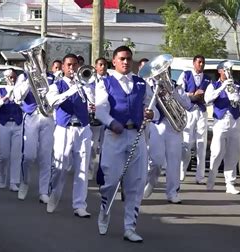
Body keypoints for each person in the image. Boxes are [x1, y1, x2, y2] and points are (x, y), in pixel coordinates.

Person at [95, 46, 153, 242]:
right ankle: (104, 209)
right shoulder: (105, 82)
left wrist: (151, 114)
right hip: (114, 136)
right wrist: (112, 123)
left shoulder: (141, 83)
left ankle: (130, 227)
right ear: (114, 61)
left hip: (136, 135)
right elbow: (100, 110)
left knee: (135, 185)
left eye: (128, 58)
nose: (126, 62)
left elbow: (153, 108)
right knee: (110, 182)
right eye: (122, 58)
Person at [45, 53, 93, 218]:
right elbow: (52, 102)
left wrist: (85, 88)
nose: (72, 68)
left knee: (82, 168)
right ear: (64, 67)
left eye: (75, 65)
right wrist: (70, 91)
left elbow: (94, 102)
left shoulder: (87, 83)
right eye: (69, 65)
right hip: (64, 128)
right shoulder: (56, 85)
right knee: (60, 166)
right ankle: (54, 194)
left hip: (83, 128)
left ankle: (79, 205)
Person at [13, 50, 55, 204]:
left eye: (41, 60)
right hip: (31, 116)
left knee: (46, 156)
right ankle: (24, 182)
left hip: (48, 117)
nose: (38, 64)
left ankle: (44, 191)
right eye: (36, 60)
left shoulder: (51, 77)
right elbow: (18, 97)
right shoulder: (23, 77)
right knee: (29, 155)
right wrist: (29, 81)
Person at [143, 72, 192, 204]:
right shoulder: (148, 86)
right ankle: (151, 182)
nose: (160, 74)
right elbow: (147, 106)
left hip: (174, 127)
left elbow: (187, 105)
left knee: (174, 162)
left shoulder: (176, 86)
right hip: (156, 126)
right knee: (156, 161)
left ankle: (172, 192)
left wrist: (173, 92)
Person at [204, 61, 240, 194]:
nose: (228, 71)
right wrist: (222, 88)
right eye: (226, 69)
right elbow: (207, 99)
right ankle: (211, 178)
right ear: (220, 71)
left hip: (235, 120)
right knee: (217, 152)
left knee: (233, 153)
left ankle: (230, 184)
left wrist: (238, 97)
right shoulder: (213, 85)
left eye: (230, 69)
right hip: (220, 121)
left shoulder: (236, 84)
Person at [176, 55, 211, 184]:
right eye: (199, 62)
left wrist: (204, 98)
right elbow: (178, 92)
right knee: (186, 143)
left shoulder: (208, 79)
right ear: (194, 63)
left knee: (201, 143)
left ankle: (200, 176)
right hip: (189, 111)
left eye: (203, 62)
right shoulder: (185, 75)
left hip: (202, 111)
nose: (201, 64)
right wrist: (192, 95)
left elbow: (210, 96)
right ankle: (181, 172)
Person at [0, 68, 22, 191]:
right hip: (4, 124)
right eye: (8, 77)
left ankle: (14, 181)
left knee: (16, 155)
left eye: (13, 77)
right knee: (4, 155)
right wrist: (6, 97)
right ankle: (3, 175)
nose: (11, 79)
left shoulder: (21, 90)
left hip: (18, 124)